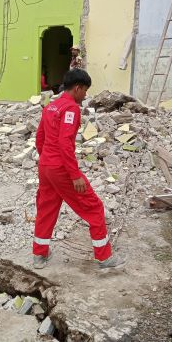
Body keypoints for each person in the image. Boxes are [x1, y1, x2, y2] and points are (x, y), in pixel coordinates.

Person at [33, 69, 125, 270]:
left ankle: (39, 255)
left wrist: (46, 160)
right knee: (94, 207)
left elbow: (40, 138)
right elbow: (65, 143)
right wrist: (75, 175)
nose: (85, 95)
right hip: (60, 168)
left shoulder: (50, 107)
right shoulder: (70, 109)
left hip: (46, 167)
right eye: (85, 91)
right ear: (77, 88)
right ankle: (104, 257)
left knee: (46, 208)